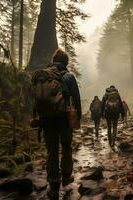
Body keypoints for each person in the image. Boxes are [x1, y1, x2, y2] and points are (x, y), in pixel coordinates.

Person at [30, 49, 81, 200]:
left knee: (51, 150)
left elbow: (34, 99)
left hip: (46, 119)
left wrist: (36, 118)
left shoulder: (42, 77)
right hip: (64, 118)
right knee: (66, 146)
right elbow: (76, 99)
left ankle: (53, 187)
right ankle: (66, 177)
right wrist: (78, 118)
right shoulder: (69, 76)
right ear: (66, 62)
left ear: (53, 60)